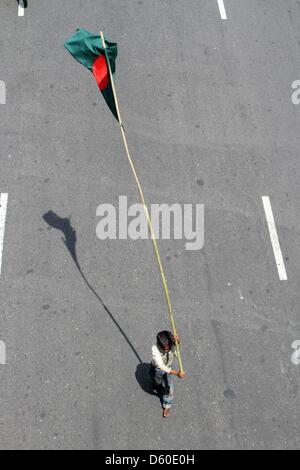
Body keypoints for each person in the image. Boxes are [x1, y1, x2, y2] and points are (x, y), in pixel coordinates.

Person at [150, 331, 186, 418]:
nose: (168, 349)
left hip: (169, 367)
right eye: (165, 349)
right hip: (157, 369)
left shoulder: (172, 344)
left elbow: (177, 353)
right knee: (156, 381)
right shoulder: (154, 348)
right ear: (159, 345)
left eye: (170, 347)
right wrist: (176, 373)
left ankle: (167, 405)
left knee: (169, 388)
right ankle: (157, 385)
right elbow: (161, 366)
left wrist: (178, 342)